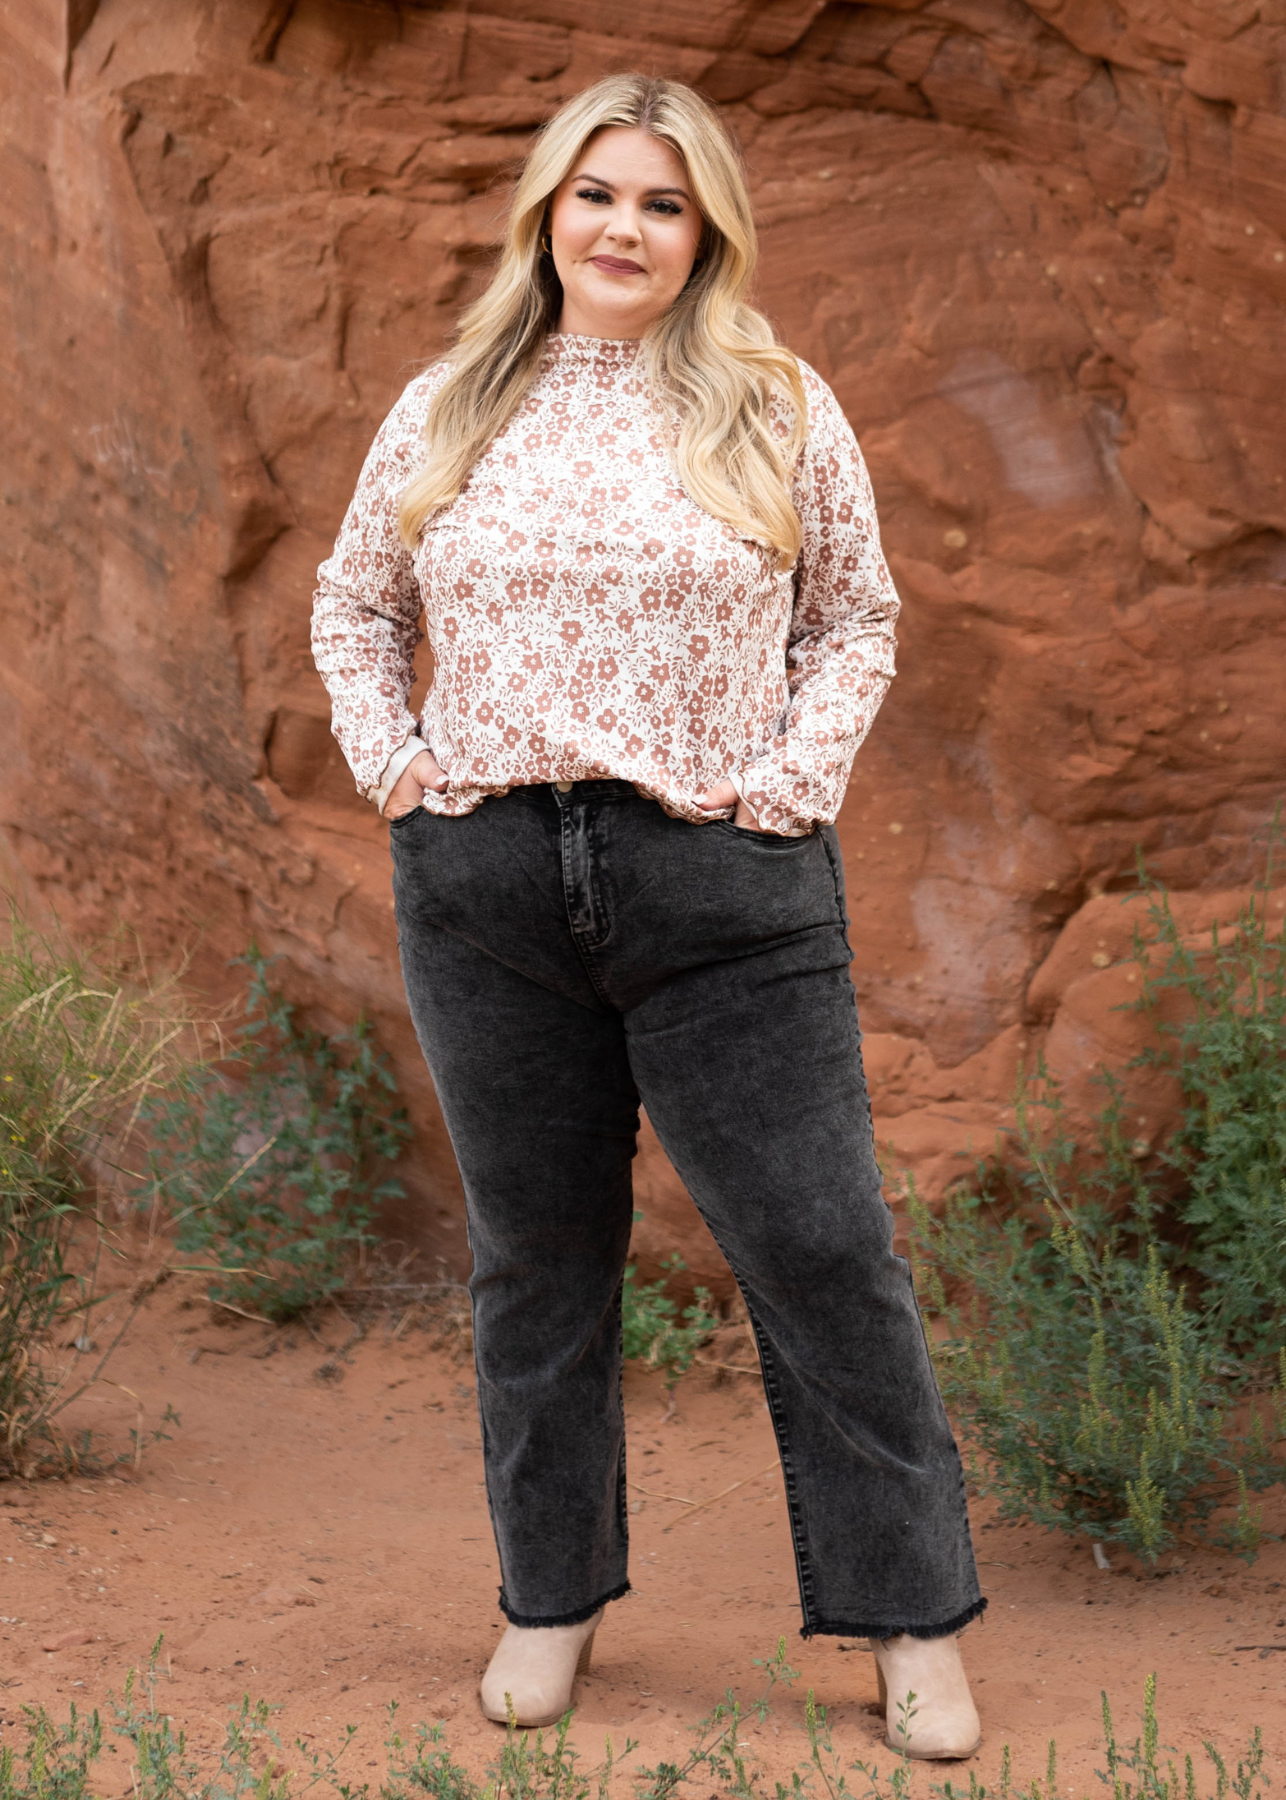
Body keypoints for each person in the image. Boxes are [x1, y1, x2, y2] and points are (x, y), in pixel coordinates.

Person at [312, 73, 985, 1761]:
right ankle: (549, 1601)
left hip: (722, 891)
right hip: (484, 890)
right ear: (550, 207)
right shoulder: (455, 397)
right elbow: (351, 598)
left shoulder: (771, 401)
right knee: (535, 1263)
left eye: (662, 204)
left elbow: (854, 620)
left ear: (708, 234)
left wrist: (790, 788)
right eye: (597, 192)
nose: (624, 227)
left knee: (823, 1255)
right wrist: (396, 765)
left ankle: (909, 1619)